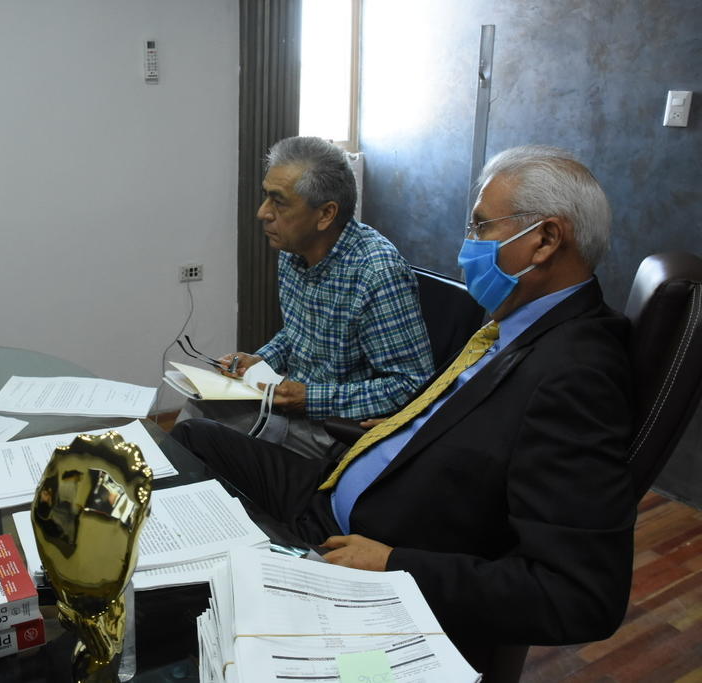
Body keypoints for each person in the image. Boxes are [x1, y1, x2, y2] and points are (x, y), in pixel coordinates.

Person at [172, 145, 635, 672]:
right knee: (192, 438)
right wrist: (400, 425)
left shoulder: (578, 374)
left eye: (481, 227)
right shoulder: (515, 326)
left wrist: (395, 564)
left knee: (214, 594)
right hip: (337, 485)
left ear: (545, 240)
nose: (466, 248)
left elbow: (580, 597)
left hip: (372, 540)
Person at [179, 136, 433, 459]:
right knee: (199, 407)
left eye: (278, 202)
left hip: (336, 430)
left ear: (325, 214)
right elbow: (299, 333)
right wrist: (262, 359)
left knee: (202, 436)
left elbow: (412, 385)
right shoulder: (294, 252)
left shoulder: (377, 272)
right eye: (266, 197)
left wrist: (310, 398)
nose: (262, 213)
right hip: (294, 406)